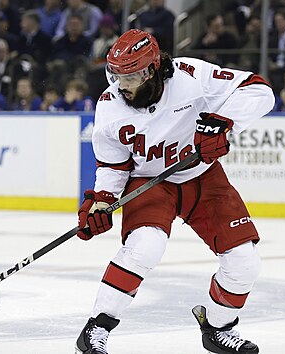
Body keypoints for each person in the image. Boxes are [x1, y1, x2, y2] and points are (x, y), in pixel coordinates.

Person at [74, 29, 274, 354]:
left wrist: (223, 122)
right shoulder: (110, 106)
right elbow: (113, 166)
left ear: (151, 69)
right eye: (116, 76)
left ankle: (218, 328)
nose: (120, 85)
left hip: (203, 177)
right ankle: (96, 329)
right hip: (149, 182)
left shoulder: (192, 76)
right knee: (145, 246)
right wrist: (102, 201)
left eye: (129, 77)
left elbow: (259, 91)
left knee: (244, 261)